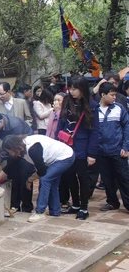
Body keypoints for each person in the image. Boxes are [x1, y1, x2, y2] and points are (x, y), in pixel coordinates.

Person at [2, 135, 74, 222]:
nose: (9, 154)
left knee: (45, 180)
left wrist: (30, 179)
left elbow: (42, 171)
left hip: (64, 157)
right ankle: (55, 212)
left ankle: (40, 212)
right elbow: (10, 166)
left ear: (15, 148)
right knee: (52, 184)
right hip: (54, 159)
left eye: (9, 151)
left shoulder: (32, 149)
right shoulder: (21, 149)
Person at [56, 76, 100, 220]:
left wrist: (92, 153)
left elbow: (94, 131)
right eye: (71, 88)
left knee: (83, 177)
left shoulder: (92, 106)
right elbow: (60, 124)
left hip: (82, 146)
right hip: (66, 145)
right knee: (69, 175)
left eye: (75, 89)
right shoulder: (67, 102)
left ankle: (84, 207)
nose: (72, 91)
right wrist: (58, 141)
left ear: (82, 89)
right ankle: (75, 204)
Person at [0, 110, 35, 213]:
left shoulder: (15, 126)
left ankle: (27, 206)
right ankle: (15, 205)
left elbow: (14, 146)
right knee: (14, 177)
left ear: (1, 122)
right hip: (13, 152)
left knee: (25, 176)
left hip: (26, 151)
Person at [96, 82, 129, 211]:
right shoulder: (94, 111)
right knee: (107, 179)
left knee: (124, 178)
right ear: (103, 95)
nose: (114, 97)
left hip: (118, 150)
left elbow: (127, 127)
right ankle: (112, 202)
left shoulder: (119, 108)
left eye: (115, 95)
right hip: (101, 151)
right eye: (112, 95)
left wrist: (126, 147)